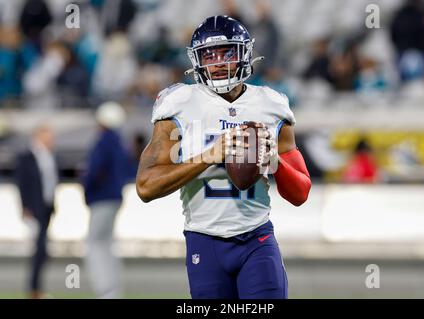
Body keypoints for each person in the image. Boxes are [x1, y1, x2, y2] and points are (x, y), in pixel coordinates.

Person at [136, 16, 311, 299]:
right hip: (204, 239)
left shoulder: (271, 104)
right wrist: (210, 155)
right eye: (208, 54)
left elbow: (301, 192)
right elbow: (146, 186)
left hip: (256, 236)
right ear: (196, 60)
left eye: (226, 52)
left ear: (244, 54)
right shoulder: (179, 104)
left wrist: (274, 161)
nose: (217, 62)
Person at [82, 101, 129, 299]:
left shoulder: (104, 141)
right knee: (107, 243)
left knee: (95, 244)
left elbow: (94, 171)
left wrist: (86, 187)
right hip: (115, 197)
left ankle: (106, 290)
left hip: (101, 198)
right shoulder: (119, 142)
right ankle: (113, 289)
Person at [15, 125, 58, 299]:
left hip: (47, 207)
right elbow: (22, 184)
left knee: (43, 250)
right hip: (34, 209)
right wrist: (25, 207)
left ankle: (36, 289)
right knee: (39, 249)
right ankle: (34, 290)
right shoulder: (27, 157)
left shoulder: (49, 156)